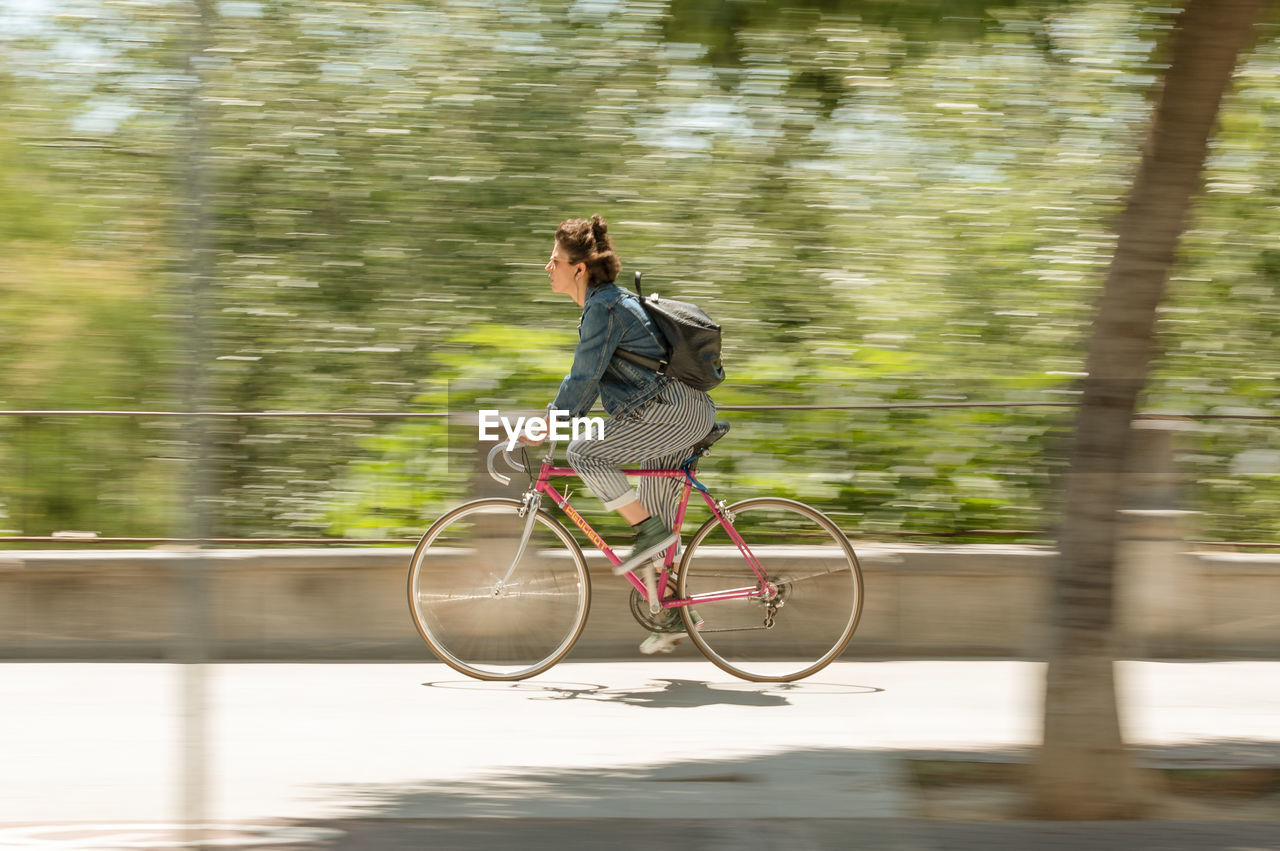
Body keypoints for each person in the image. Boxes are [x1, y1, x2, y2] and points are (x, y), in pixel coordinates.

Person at [520, 214, 717, 654]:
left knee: (585, 454)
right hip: (670, 413)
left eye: (554, 260)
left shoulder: (603, 308)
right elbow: (588, 390)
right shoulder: (607, 305)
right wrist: (557, 416)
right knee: (659, 523)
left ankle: (649, 533)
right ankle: (673, 614)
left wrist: (550, 421)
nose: (547, 267)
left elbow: (582, 379)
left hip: (670, 415)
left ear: (579, 269)